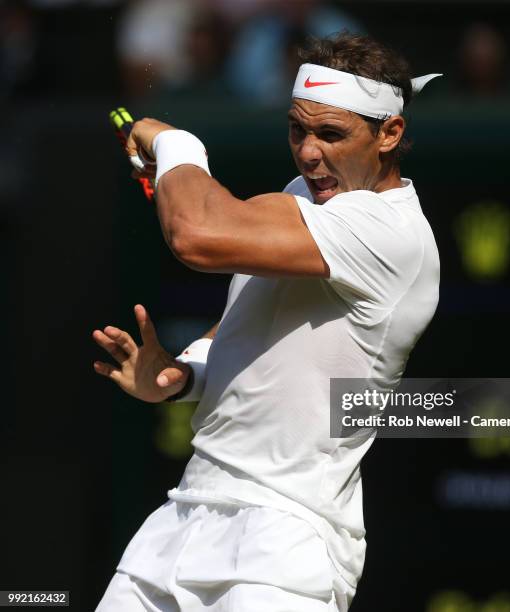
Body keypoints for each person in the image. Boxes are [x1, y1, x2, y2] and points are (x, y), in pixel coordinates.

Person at [93, 32, 441, 612]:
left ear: (390, 134)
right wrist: (185, 375)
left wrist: (178, 145)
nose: (308, 152)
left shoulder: (389, 232)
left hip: (284, 547)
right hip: (184, 516)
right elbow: (255, 320)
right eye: (298, 130)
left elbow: (196, 234)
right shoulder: (304, 197)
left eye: (331, 134)